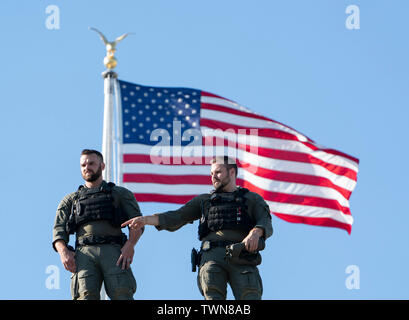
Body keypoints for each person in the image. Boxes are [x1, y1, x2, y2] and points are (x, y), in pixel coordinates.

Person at [122, 156, 273, 300]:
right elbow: (177, 216)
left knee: (250, 295)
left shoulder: (251, 199)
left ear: (232, 172)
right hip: (212, 257)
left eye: (218, 172)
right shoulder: (205, 201)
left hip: (241, 255)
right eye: (212, 173)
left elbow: (265, 220)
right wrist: (145, 220)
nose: (214, 177)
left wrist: (256, 232)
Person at [52, 149, 143, 300]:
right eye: (83, 165)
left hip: (114, 252)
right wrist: (63, 252)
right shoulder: (71, 200)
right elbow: (58, 230)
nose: (87, 167)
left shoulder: (120, 194)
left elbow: (137, 222)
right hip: (84, 254)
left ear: (102, 166)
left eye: (91, 163)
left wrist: (130, 245)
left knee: (122, 293)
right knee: (85, 295)